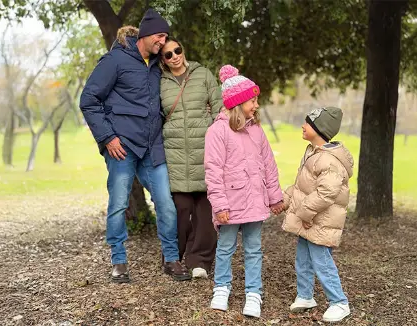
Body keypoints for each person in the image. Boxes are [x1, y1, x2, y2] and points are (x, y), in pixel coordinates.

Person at [79, 8, 191, 283]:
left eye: (166, 37)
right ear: (145, 33)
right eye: (160, 36)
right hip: (122, 146)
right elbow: (89, 100)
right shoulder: (115, 60)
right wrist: (107, 138)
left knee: (166, 204)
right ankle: (118, 261)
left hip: (152, 147)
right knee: (118, 204)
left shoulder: (156, 65)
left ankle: (172, 259)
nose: (163, 42)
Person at [204, 65, 285, 318]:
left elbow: (269, 166)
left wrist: (274, 197)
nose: (256, 105)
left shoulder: (257, 131)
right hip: (230, 204)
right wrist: (220, 206)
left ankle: (253, 293)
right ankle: (221, 288)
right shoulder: (217, 131)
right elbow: (213, 171)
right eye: (252, 100)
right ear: (238, 102)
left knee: (253, 249)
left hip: (255, 204)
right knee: (226, 247)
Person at [159, 37, 225, 279]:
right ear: (163, 60)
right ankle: (173, 256)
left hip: (205, 150)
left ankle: (200, 261)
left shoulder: (203, 74)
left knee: (205, 211)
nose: (174, 56)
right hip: (174, 153)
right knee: (178, 208)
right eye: (168, 54)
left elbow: (219, 108)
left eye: (177, 50)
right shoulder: (159, 82)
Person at [281, 106, 354, 322]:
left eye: (307, 123)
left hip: (321, 221)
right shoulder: (314, 153)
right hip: (311, 219)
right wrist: (283, 200)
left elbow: (325, 194)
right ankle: (305, 296)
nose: (303, 126)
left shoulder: (330, 161)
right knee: (302, 258)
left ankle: (339, 302)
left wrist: (304, 214)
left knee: (321, 260)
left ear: (319, 129)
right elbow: (302, 187)